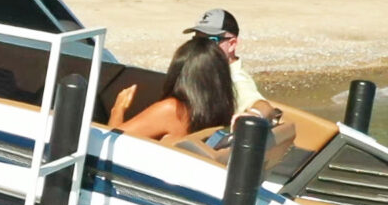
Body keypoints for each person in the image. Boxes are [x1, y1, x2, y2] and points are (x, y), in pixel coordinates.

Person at [108, 9, 277, 144]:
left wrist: (118, 108)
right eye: (197, 39)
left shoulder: (236, 80)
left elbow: (108, 143)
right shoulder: (221, 98)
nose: (203, 46)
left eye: (211, 40)